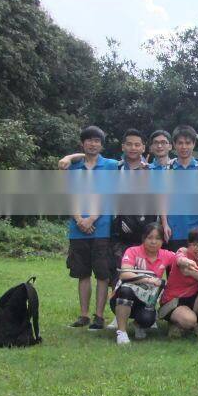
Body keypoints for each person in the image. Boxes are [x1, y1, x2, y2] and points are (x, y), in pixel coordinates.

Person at [64, 125, 119, 330]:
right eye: (89, 140)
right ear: (83, 143)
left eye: (97, 141)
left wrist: (92, 219)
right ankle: (84, 315)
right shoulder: (73, 168)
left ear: (102, 145)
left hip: (102, 228)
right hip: (77, 229)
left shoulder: (111, 166)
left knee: (103, 275)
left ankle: (99, 316)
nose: (93, 144)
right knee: (82, 273)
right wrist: (80, 220)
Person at [111, 223, 176, 345]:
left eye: (157, 238)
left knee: (148, 319)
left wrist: (184, 257)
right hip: (122, 296)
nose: (153, 242)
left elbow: (179, 257)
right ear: (143, 238)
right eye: (150, 238)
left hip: (146, 299)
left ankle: (138, 324)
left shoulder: (166, 254)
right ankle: (121, 332)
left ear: (162, 241)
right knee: (126, 290)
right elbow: (124, 274)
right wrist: (147, 279)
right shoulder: (132, 251)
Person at [160, 125, 198, 252]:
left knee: (197, 270)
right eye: (180, 143)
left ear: (194, 144)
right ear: (174, 145)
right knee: (173, 270)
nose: (184, 147)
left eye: (188, 143)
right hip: (173, 231)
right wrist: (165, 224)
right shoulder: (167, 170)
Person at [158, 227, 198, 339]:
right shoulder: (183, 251)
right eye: (194, 245)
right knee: (189, 320)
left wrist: (192, 273)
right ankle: (186, 324)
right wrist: (187, 262)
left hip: (192, 298)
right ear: (189, 245)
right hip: (173, 300)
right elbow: (180, 259)